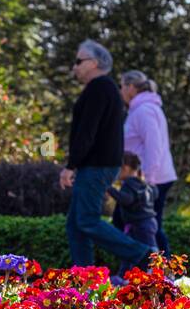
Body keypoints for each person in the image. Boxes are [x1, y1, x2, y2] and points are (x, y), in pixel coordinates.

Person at [59, 41, 155, 274]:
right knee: (75, 226)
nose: (75, 67)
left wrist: (71, 166)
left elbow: (87, 131)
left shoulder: (99, 88)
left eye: (79, 61)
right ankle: (85, 281)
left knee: (87, 221)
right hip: (99, 164)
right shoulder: (104, 88)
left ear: (94, 63)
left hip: (97, 165)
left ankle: (144, 256)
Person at [119, 70, 176, 256]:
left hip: (151, 180)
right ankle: (146, 272)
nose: (120, 91)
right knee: (142, 226)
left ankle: (166, 274)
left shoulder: (144, 111)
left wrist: (148, 181)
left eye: (121, 86)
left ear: (131, 88)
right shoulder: (141, 109)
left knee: (148, 227)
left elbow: (154, 146)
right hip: (147, 179)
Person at [109, 152, 158, 276]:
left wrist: (109, 189)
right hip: (147, 223)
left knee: (150, 252)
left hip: (140, 225)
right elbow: (155, 193)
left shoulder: (129, 183)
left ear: (124, 167)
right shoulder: (143, 183)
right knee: (131, 250)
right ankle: (124, 276)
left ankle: (158, 276)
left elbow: (127, 199)